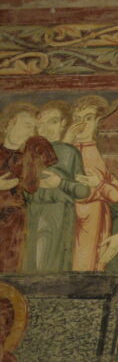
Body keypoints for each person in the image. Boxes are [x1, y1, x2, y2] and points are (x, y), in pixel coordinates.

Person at [24, 100, 89, 273]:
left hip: (58, 212)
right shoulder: (31, 152)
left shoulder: (69, 152)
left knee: (51, 267)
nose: (45, 128)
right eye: (41, 123)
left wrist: (60, 183)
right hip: (32, 212)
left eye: (52, 121)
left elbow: (83, 190)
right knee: (30, 266)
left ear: (62, 124)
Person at [0, 102, 58, 273]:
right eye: (27, 126)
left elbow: (31, 187)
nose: (30, 132)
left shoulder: (26, 156)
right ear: (10, 123)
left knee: (9, 266)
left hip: (14, 220)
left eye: (33, 129)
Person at [68, 95, 118, 271]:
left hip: (94, 216)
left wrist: (98, 184)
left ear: (99, 121)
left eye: (88, 118)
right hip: (66, 215)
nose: (82, 125)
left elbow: (115, 195)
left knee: (88, 266)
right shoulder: (65, 149)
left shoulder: (104, 153)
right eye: (77, 119)